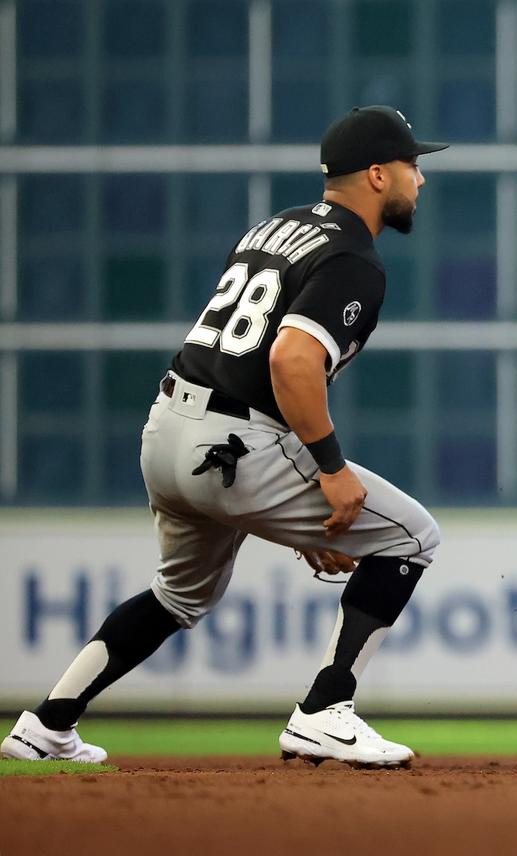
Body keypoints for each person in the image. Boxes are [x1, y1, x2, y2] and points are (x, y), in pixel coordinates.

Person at [2, 106, 447, 769]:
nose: (421, 178)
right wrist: (329, 471)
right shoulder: (354, 258)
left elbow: (253, 357)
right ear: (378, 175)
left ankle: (47, 724)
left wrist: (297, 516)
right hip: (235, 443)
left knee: (178, 595)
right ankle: (325, 710)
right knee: (411, 537)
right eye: (413, 164)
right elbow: (290, 362)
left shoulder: (274, 228)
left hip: (169, 428)